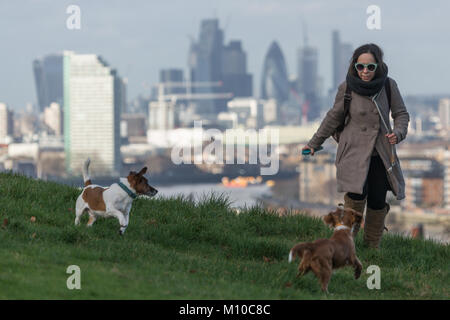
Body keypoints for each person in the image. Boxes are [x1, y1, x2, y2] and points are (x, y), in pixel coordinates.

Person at [302, 43, 410, 249]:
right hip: (353, 153)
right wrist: (314, 144)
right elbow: (333, 118)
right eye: (360, 67)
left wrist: (398, 133)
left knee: (378, 200)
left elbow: (401, 114)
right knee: (355, 196)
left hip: (381, 153)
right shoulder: (347, 88)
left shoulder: (388, 85)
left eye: (370, 67)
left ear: (378, 66)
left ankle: (371, 247)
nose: (365, 72)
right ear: (354, 66)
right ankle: (345, 245)